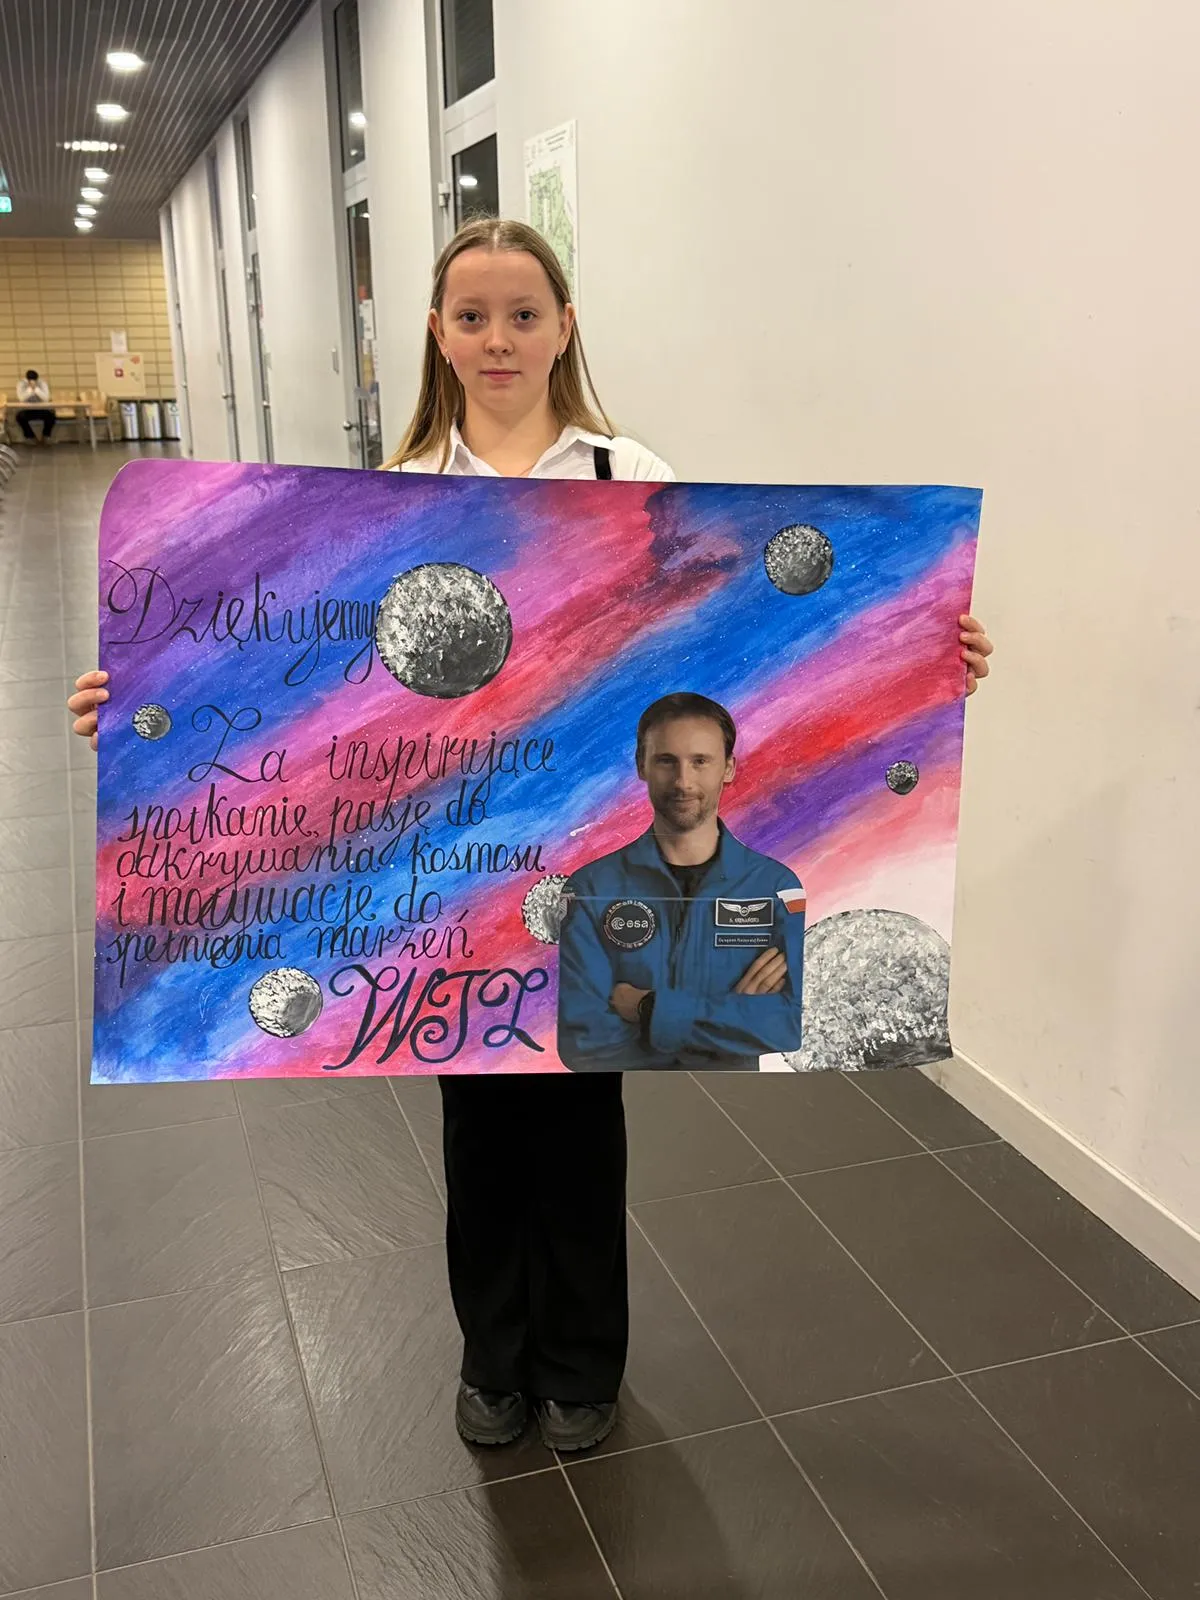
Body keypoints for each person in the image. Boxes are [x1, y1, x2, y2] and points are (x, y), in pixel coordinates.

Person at [66, 216, 995, 1458]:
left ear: (564, 328)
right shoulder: (391, 495)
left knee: (582, 1127)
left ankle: (581, 1364)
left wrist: (930, 652)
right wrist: (138, 710)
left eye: (522, 314)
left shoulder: (630, 473)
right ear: (436, 336)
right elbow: (301, 682)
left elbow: (732, 646)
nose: (498, 338)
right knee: (481, 1132)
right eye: (472, 316)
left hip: (598, 876)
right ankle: (494, 1359)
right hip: (453, 885)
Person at [559, 692, 805, 1072]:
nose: (682, 782)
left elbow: (785, 1028)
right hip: (630, 1099)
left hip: (734, 1100)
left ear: (728, 768)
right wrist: (729, 1029)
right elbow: (584, 1046)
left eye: (700, 761)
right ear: (641, 765)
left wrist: (648, 1008)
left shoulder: (774, 888)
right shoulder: (591, 889)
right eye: (666, 761)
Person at [15, 370, 56, 444]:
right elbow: (21, 399)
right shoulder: (21, 384)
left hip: (41, 409)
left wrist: (36, 389)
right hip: (27, 410)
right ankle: (30, 437)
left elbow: (46, 399)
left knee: (51, 415)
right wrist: (30, 390)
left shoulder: (42, 383)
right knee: (19, 417)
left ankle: (46, 436)